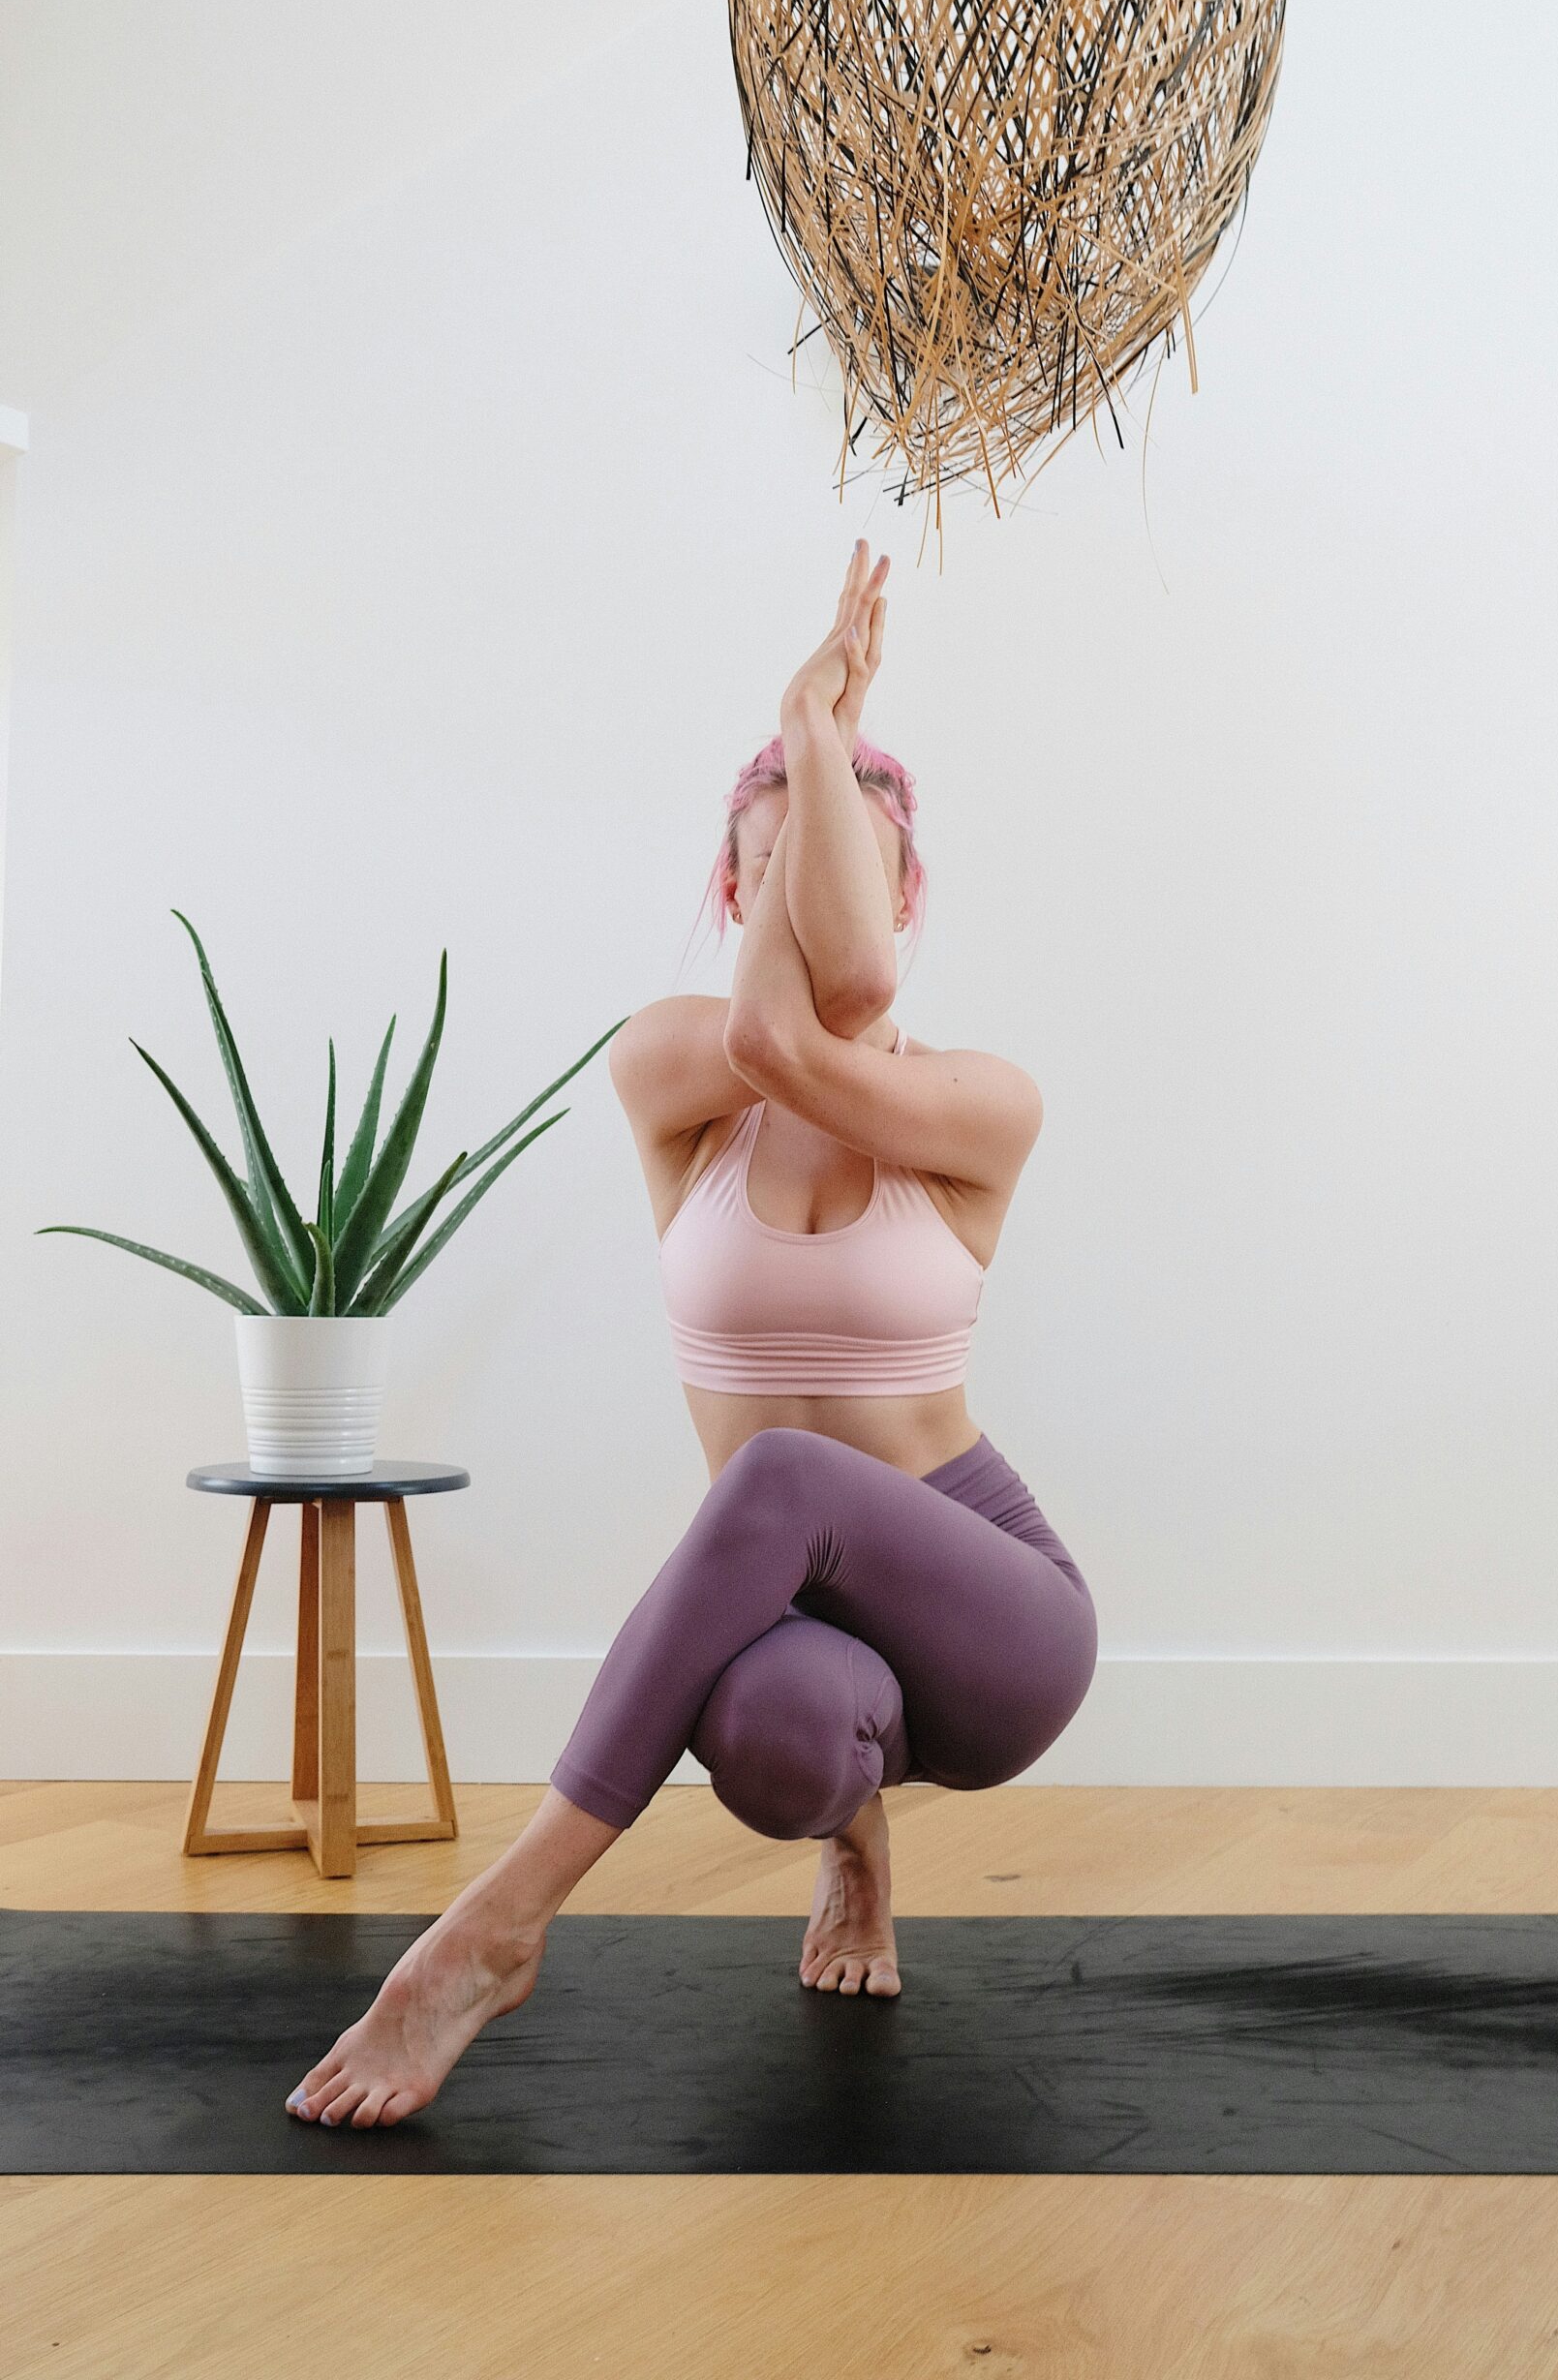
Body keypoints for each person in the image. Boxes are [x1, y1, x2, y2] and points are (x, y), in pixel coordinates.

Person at [285, 541, 1098, 2130]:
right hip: (801, 1632)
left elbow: (821, 1008)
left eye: (845, 866)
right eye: (775, 870)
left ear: (904, 892)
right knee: (780, 1735)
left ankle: (492, 1930)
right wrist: (814, 762)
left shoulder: (974, 1106)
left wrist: (813, 738)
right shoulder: (671, 1073)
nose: (810, 895)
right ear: (734, 895)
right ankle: (848, 1843)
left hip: (994, 1621)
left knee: (784, 1468)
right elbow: (759, 1034)